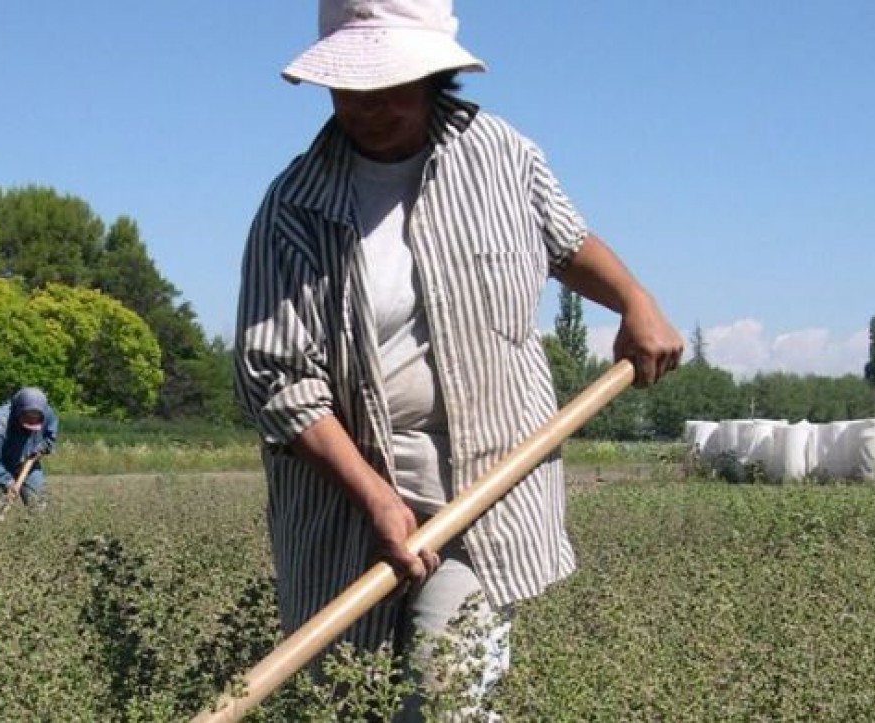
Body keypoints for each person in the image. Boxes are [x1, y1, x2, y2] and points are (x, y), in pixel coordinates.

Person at [233, 0, 685, 717]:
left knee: (445, 702)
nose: (370, 108)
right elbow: (279, 383)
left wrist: (634, 299)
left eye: (391, 87)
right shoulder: (293, 207)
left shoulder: (503, 156)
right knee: (344, 704)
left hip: (489, 482)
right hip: (347, 495)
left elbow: (566, 243)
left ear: (435, 74)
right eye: (352, 89)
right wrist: (377, 497)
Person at [0, 386, 58, 514]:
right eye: (27, 418)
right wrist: (7, 482)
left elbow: (49, 437)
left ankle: (33, 532)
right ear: (18, 411)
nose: (32, 422)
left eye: (36, 419)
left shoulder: (47, 414)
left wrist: (41, 449)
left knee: (38, 505)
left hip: (28, 461)